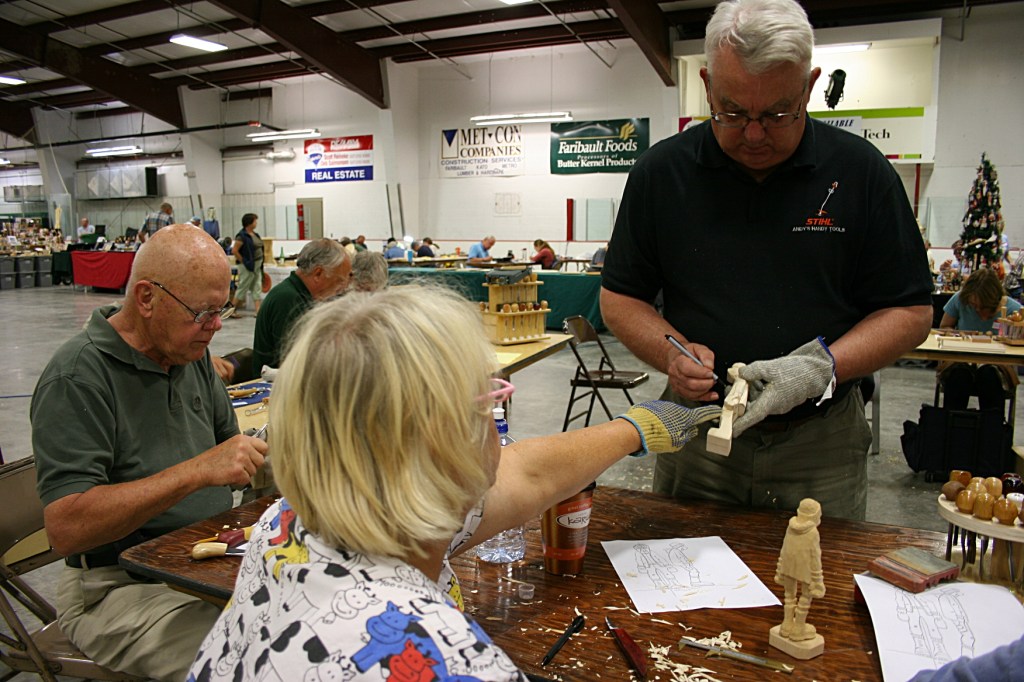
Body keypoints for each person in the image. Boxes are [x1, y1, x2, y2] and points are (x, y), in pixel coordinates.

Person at [187, 285, 721, 681]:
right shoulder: (442, 660)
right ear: (445, 442)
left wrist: (638, 427)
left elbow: (527, 474)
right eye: (488, 400)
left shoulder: (286, 526)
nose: (497, 419)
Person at [599, 0, 933, 521]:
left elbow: (910, 312)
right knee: (681, 583)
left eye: (778, 113)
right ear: (707, 85)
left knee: (817, 583)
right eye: (731, 112)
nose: (754, 135)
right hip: (695, 432)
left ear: (810, 85)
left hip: (819, 443)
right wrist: (670, 353)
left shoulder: (861, 173)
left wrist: (821, 368)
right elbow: (620, 297)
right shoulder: (661, 174)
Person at [31, 224, 268, 682]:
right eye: (203, 312)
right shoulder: (78, 376)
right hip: (117, 588)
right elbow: (67, 528)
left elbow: (234, 455)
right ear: (145, 298)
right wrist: (196, 472)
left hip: (198, 556)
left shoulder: (188, 354)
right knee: (255, 660)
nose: (216, 326)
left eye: (222, 309)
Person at [253, 238, 351, 372]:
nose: (342, 288)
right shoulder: (288, 299)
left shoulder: (301, 295)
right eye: (339, 281)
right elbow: (297, 360)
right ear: (318, 273)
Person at [938, 267, 1021, 411]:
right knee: (959, 376)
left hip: (996, 364)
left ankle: (990, 428)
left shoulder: (1013, 309)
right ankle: (952, 426)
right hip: (962, 359)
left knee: (989, 376)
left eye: (983, 306)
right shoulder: (959, 299)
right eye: (973, 306)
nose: (978, 310)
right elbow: (944, 327)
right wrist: (954, 335)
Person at [231, 213, 264, 317]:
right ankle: (230, 310)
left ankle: (258, 311)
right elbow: (235, 251)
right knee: (243, 287)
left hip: (257, 265)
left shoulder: (255, 235)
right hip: (247, 266)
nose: (256, 223)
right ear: (249, 223)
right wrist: (244, 261)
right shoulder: (241, 236)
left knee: (257, 286)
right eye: (255, 221)